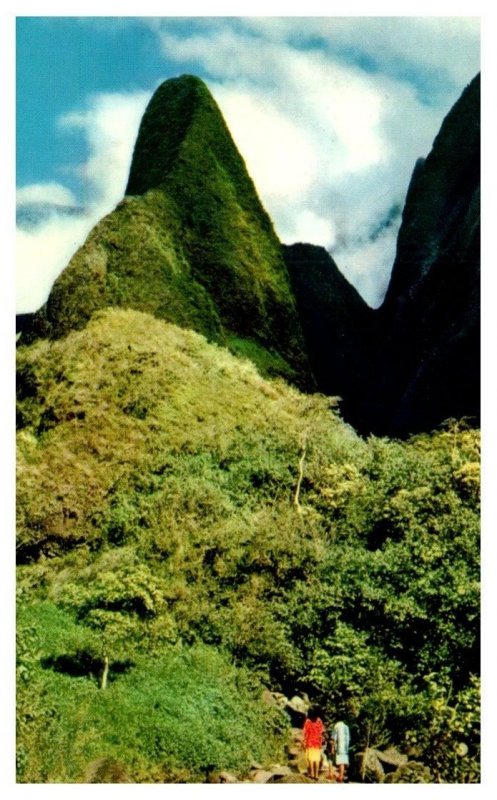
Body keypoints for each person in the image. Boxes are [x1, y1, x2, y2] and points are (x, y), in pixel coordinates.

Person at [302, 706, 325, 780]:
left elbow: (305, 733)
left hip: (310, 742)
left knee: (311, 758)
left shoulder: (308, 721)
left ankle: (311, 774)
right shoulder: (319, 721)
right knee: (317, 759)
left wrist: (304, 741)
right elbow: (322, 731)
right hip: (317, 742)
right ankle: (316, 775)